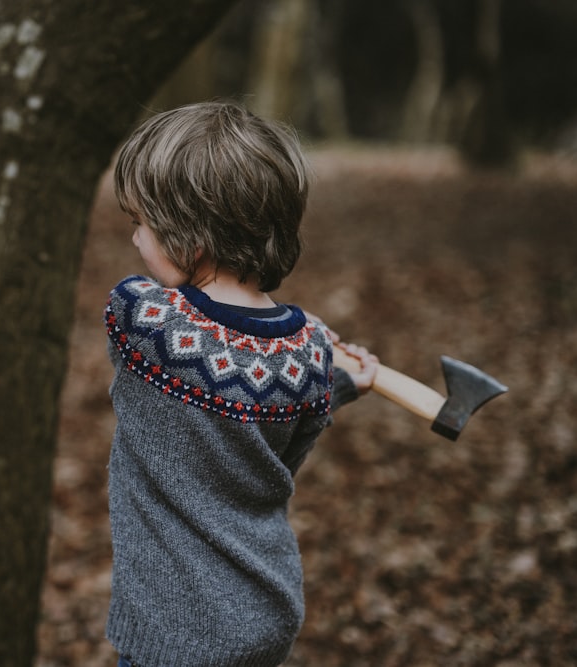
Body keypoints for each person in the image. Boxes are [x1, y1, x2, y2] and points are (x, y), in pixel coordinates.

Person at [103, 100, 378, 667]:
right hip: (264, 612)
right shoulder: (307, 354)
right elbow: (283, 424)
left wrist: (334, 375)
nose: (135, 241)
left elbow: (215, 363)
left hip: (175, 632)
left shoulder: (143, 320)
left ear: (191, 238)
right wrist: (341, 380)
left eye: (142, 224)